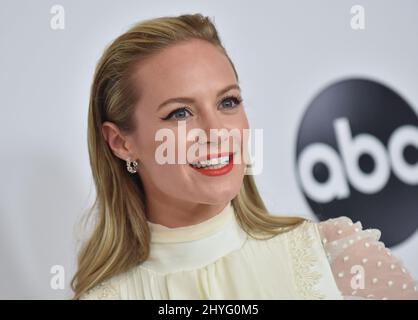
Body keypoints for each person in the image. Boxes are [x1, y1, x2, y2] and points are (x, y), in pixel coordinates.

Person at [72, 13, 418, 300]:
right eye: (179, 113)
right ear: (120, 142)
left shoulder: (339, 259)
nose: (216, 130)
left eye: (228, 102)